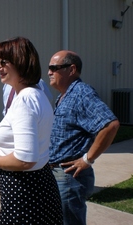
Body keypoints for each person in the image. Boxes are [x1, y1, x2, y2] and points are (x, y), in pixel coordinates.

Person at [0, 37, 63, 225]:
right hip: (39, 185)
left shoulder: (25, 100)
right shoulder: (36, 94)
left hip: (24, 193)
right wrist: (2, 151)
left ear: (20, 61)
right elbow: (29, 146)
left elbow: (25, 160)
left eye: (4, 62)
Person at [48, 50, 120, 225]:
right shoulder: (64, 96)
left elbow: (110, 125)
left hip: (69, 177)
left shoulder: (81, 93)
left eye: (54, 68)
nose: (49, 72)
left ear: (71, 70)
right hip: (59, 175)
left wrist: (87, 159)